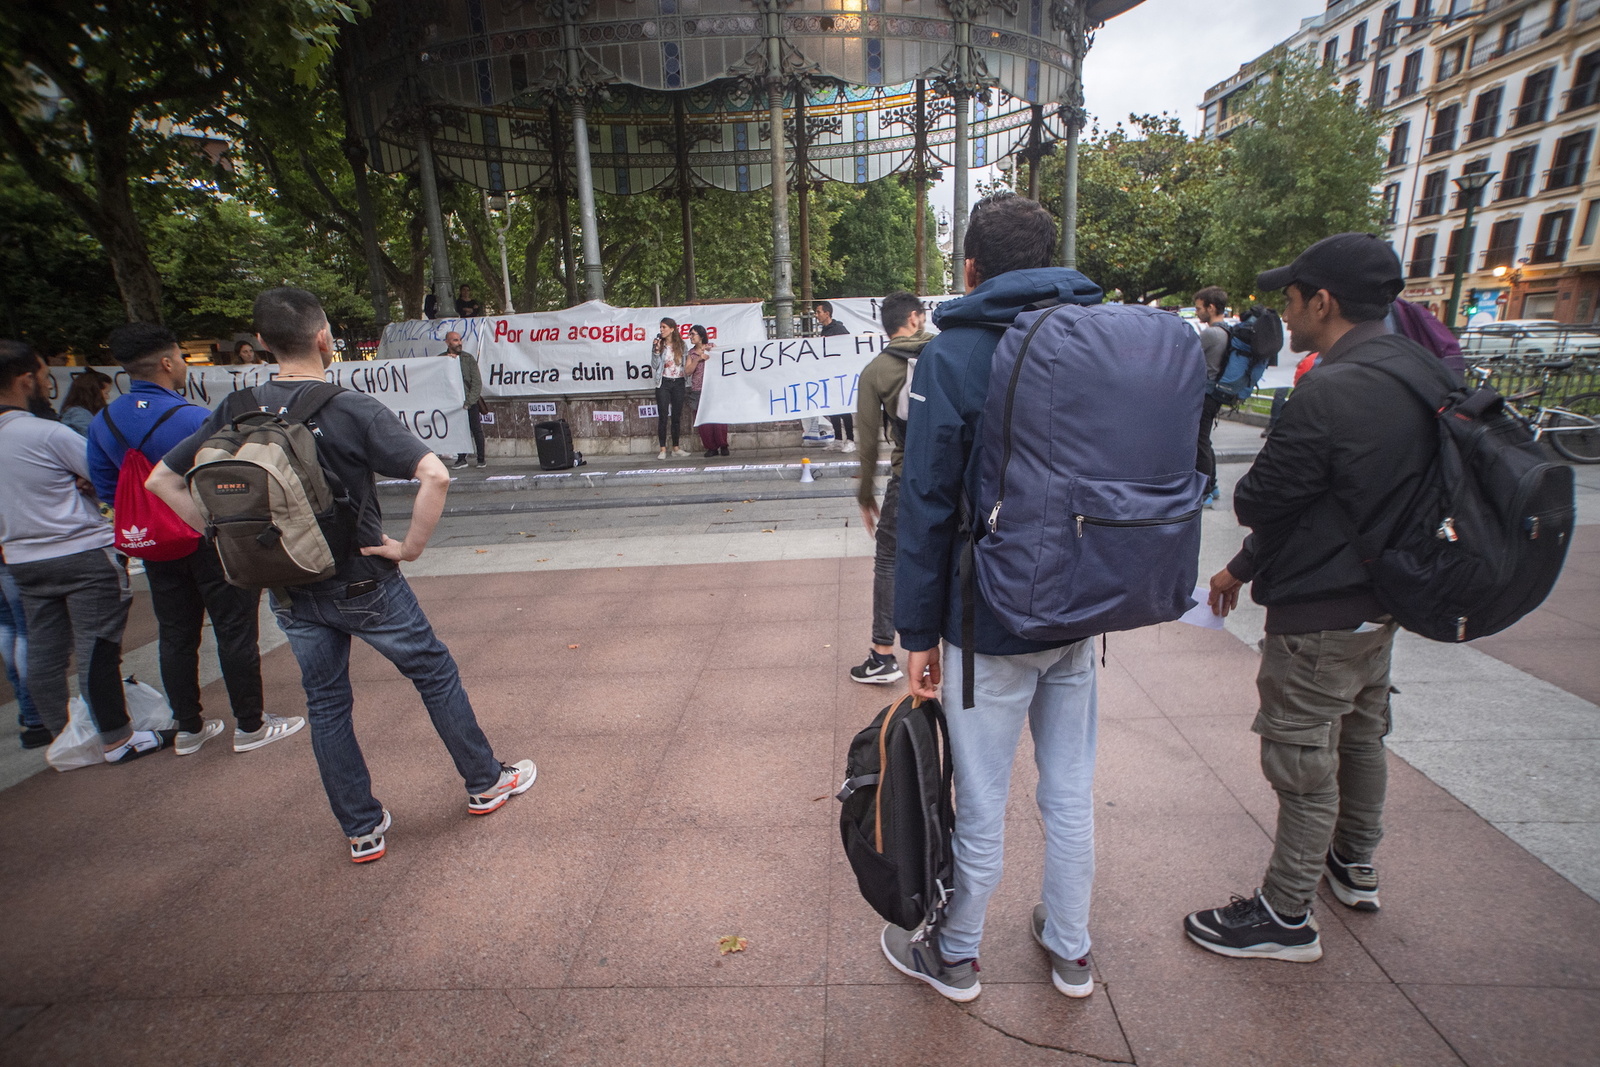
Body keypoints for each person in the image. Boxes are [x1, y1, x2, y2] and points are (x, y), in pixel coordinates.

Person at [148, 288, 534, 863]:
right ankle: (484, 781)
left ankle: (362, 828)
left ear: (264, 344)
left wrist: (222, 537)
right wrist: (407, 549)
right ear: (324, 337)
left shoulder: (234, 408)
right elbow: (435, 475)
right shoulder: (346, 406)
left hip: (287, 582)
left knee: (326, 703)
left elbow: (163, 480)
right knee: (433, 672)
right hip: (362, 578)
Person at [1184, 233, 1448, 963]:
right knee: (1362, 735)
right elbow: (1330, 501)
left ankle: (1285, 913)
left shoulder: (1328, 388)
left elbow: (1266, 498)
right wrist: (1242, 567)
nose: (1284, 313)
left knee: (1303, 762)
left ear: (1323, 301)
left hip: (1320, 610)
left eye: (1292, 299)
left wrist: (1250, 538)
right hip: (1383, 599)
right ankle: (1354, 863)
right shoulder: (1421, 371)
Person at [890, 193, 1105, 1002]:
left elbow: (929, 504)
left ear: (972, 269)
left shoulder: (952, 357)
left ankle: (957, 951)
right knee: (1069, 787)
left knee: (981, 796)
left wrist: (914, 630)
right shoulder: (1097, 336)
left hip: (989, 619)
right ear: (1052, 258)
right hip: (1083, 608)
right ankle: (1071, 945)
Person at [87, 322, 303, 758]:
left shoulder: (103, 422)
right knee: (235, 628)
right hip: (206, 537)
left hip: (155, 544)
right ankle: (251, 724)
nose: (184, 365)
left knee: (176, 632)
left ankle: (188, 727)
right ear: (167, 362)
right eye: (182, 358)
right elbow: (226, 476)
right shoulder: (193, 418)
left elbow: (106, 486)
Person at [0, 341, 168, 763]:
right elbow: (99, 472)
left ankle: (62, 732)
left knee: (43, 648)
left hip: (21, 558)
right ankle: (117, 737)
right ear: (25, 380)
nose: (45, 383)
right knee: (98, 645)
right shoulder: (45, 433)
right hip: (79, 550)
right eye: (42, 375)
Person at [848, 291, 929, 687]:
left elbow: (867, 444)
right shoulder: (947, 352)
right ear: (913, 318)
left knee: (888, 559)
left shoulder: (875, 371)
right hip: (962, 477)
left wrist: (866, 495)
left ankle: (882, 655)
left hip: (909, 477)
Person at [0, 551, 49, 748]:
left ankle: (27, 708)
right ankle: (36, 714)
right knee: (26, 629)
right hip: (13, 547)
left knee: (7, 626)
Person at [1192, 286, 1229, 508]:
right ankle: (1212, 485)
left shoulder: (1211, 333)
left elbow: (1189, 357)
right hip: (1214, 393)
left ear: (1211, 307)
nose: (1197, 313)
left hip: (1205, 393)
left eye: (1199, 308)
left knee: (1199, 442)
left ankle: (1204, 490)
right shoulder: (1226, 330)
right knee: (1205, 440)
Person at [439, 331, 486, 470]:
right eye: (455, 340)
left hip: (468, 402)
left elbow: (476, 382)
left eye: (459, 340)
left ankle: (481, 458)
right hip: (452, 403)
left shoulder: (468, 358)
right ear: (447, 342)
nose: (459, 343)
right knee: (458, 431)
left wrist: (469, 402)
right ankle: (461, 458)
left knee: (476, 429)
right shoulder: (441, 359)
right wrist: (447, 361)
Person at [815, 301, 855, 452]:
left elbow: (848, 348)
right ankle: (838, 439)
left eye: (818, 312)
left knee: (844, 407)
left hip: (840, 374)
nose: (817, 315)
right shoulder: (825, 330)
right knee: (833, 407)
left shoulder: (839, 329)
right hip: (829, 374)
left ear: (827, 313)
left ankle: (850, 439)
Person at [651, 318, 690, 460]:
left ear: (672, 329)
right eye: (660, 327)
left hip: (679, 382)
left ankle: (676, 447)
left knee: (676, 416)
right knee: (663, 416)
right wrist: (656, 350)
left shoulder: (682, 345)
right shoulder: (659, 344)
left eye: (664, 327)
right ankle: (662, 449)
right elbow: (654, 365)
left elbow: (686, 364)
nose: (661, 330)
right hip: (663, 382)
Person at [686, 325, 728, 458]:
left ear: (701, 335)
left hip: (714, 387)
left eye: (693, 334)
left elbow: (722, 361)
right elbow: (687, 371)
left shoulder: (712, 347)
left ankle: (723, 444)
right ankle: (711, 447)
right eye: (690, 334)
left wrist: (711, 354)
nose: (691, 337)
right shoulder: (691, 353)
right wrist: (698, 359)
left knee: (718, 416)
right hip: (698, 389)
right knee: (703, 419)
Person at [58, 369, 112, 437]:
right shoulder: (79, 414)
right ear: (94, 393)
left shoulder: (79, 412)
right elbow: (95, 439)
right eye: (106, 393)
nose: (108, 397)